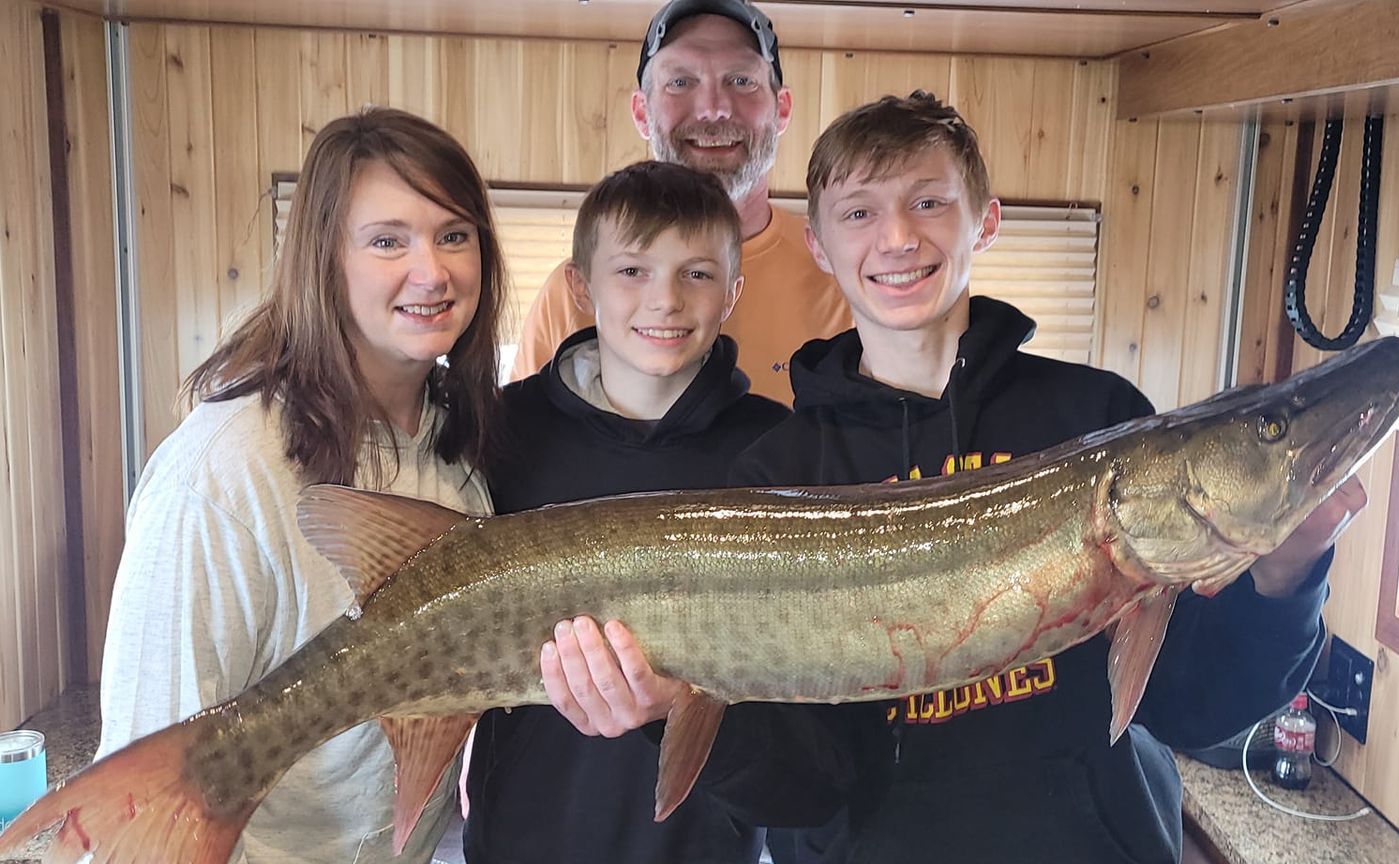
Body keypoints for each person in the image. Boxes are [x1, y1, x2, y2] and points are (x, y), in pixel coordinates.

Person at [546, 92, 1367, 864]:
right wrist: (661, 708)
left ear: (987, 220)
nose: (897, 237)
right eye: (860, 213)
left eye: (929, 202)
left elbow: (1198, 709)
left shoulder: (1098, 413)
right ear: (819, 245)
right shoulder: (778, 475)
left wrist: (1288, 575)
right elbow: (799, 788)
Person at [96, 106, 507, 864]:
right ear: (324, 259)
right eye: (388, 241)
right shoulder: (221, 474)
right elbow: (144, 788)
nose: (434, 271)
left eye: (454, 234)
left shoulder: (462, 440)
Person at [464, 160, 799, 864]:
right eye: (633, 271)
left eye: (697, 274)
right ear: (582, 286)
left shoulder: (779, 450)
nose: (666, 300)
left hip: (703, 843)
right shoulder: (498, 433)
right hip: (523, 833)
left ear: (732, 293)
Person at [509, 0, 851, 405]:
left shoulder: (844, 275)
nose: (713, 108)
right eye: (680, 82)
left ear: (782, 109)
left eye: (741, 81)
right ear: (641, 111)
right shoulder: (576, 294)